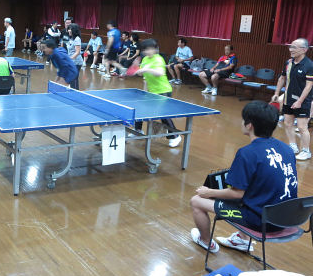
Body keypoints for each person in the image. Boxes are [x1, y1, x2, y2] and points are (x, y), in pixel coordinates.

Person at [189, 100, 297, 254]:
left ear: (249, 125)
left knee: (196, 201)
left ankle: (205, 241)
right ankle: (242, 240)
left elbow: (237, 194)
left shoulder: (247, 153)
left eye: (243, 119)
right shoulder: (287, 149)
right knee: (251, 192)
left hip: (263, 222)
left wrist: (209, 192)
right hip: (287, 217)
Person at [134, 38, 182, 148]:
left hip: (163, 91)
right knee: (140, 108)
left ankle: (175, 136)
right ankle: (138, 130)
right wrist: (140, 71)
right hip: (151, 91)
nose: (147, 51)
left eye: (149, 49)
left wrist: (146, 69)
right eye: (145, 50)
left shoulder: (159, 59)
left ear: (155, 49)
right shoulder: (145, 59)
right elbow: (142, 75)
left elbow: (159, 73)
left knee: (162, 115)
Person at [271, 38, 313, 161]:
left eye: (294, 47)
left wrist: (299, 101)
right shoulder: (288, 62)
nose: (291, 49)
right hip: (288, 98)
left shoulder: (309, 65)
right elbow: (282, 78)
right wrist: (276, 93)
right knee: (288, 123)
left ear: (304, 50)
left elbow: (309, 86)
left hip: (303, 101)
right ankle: (293, 146)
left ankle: (306, 151)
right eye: (291, 47)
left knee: (302, 127)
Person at [66, 23, 83, 90]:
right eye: (68, 29)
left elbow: (77, 52)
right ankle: (73, 89)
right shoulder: (71, 38)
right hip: (71, 61)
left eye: (70, 29)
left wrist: (69, 59)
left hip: (76, 62)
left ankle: (75, 92)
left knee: (74, 78)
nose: (68, 30)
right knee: (72, 77)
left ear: (74, 30)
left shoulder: (77, 39)